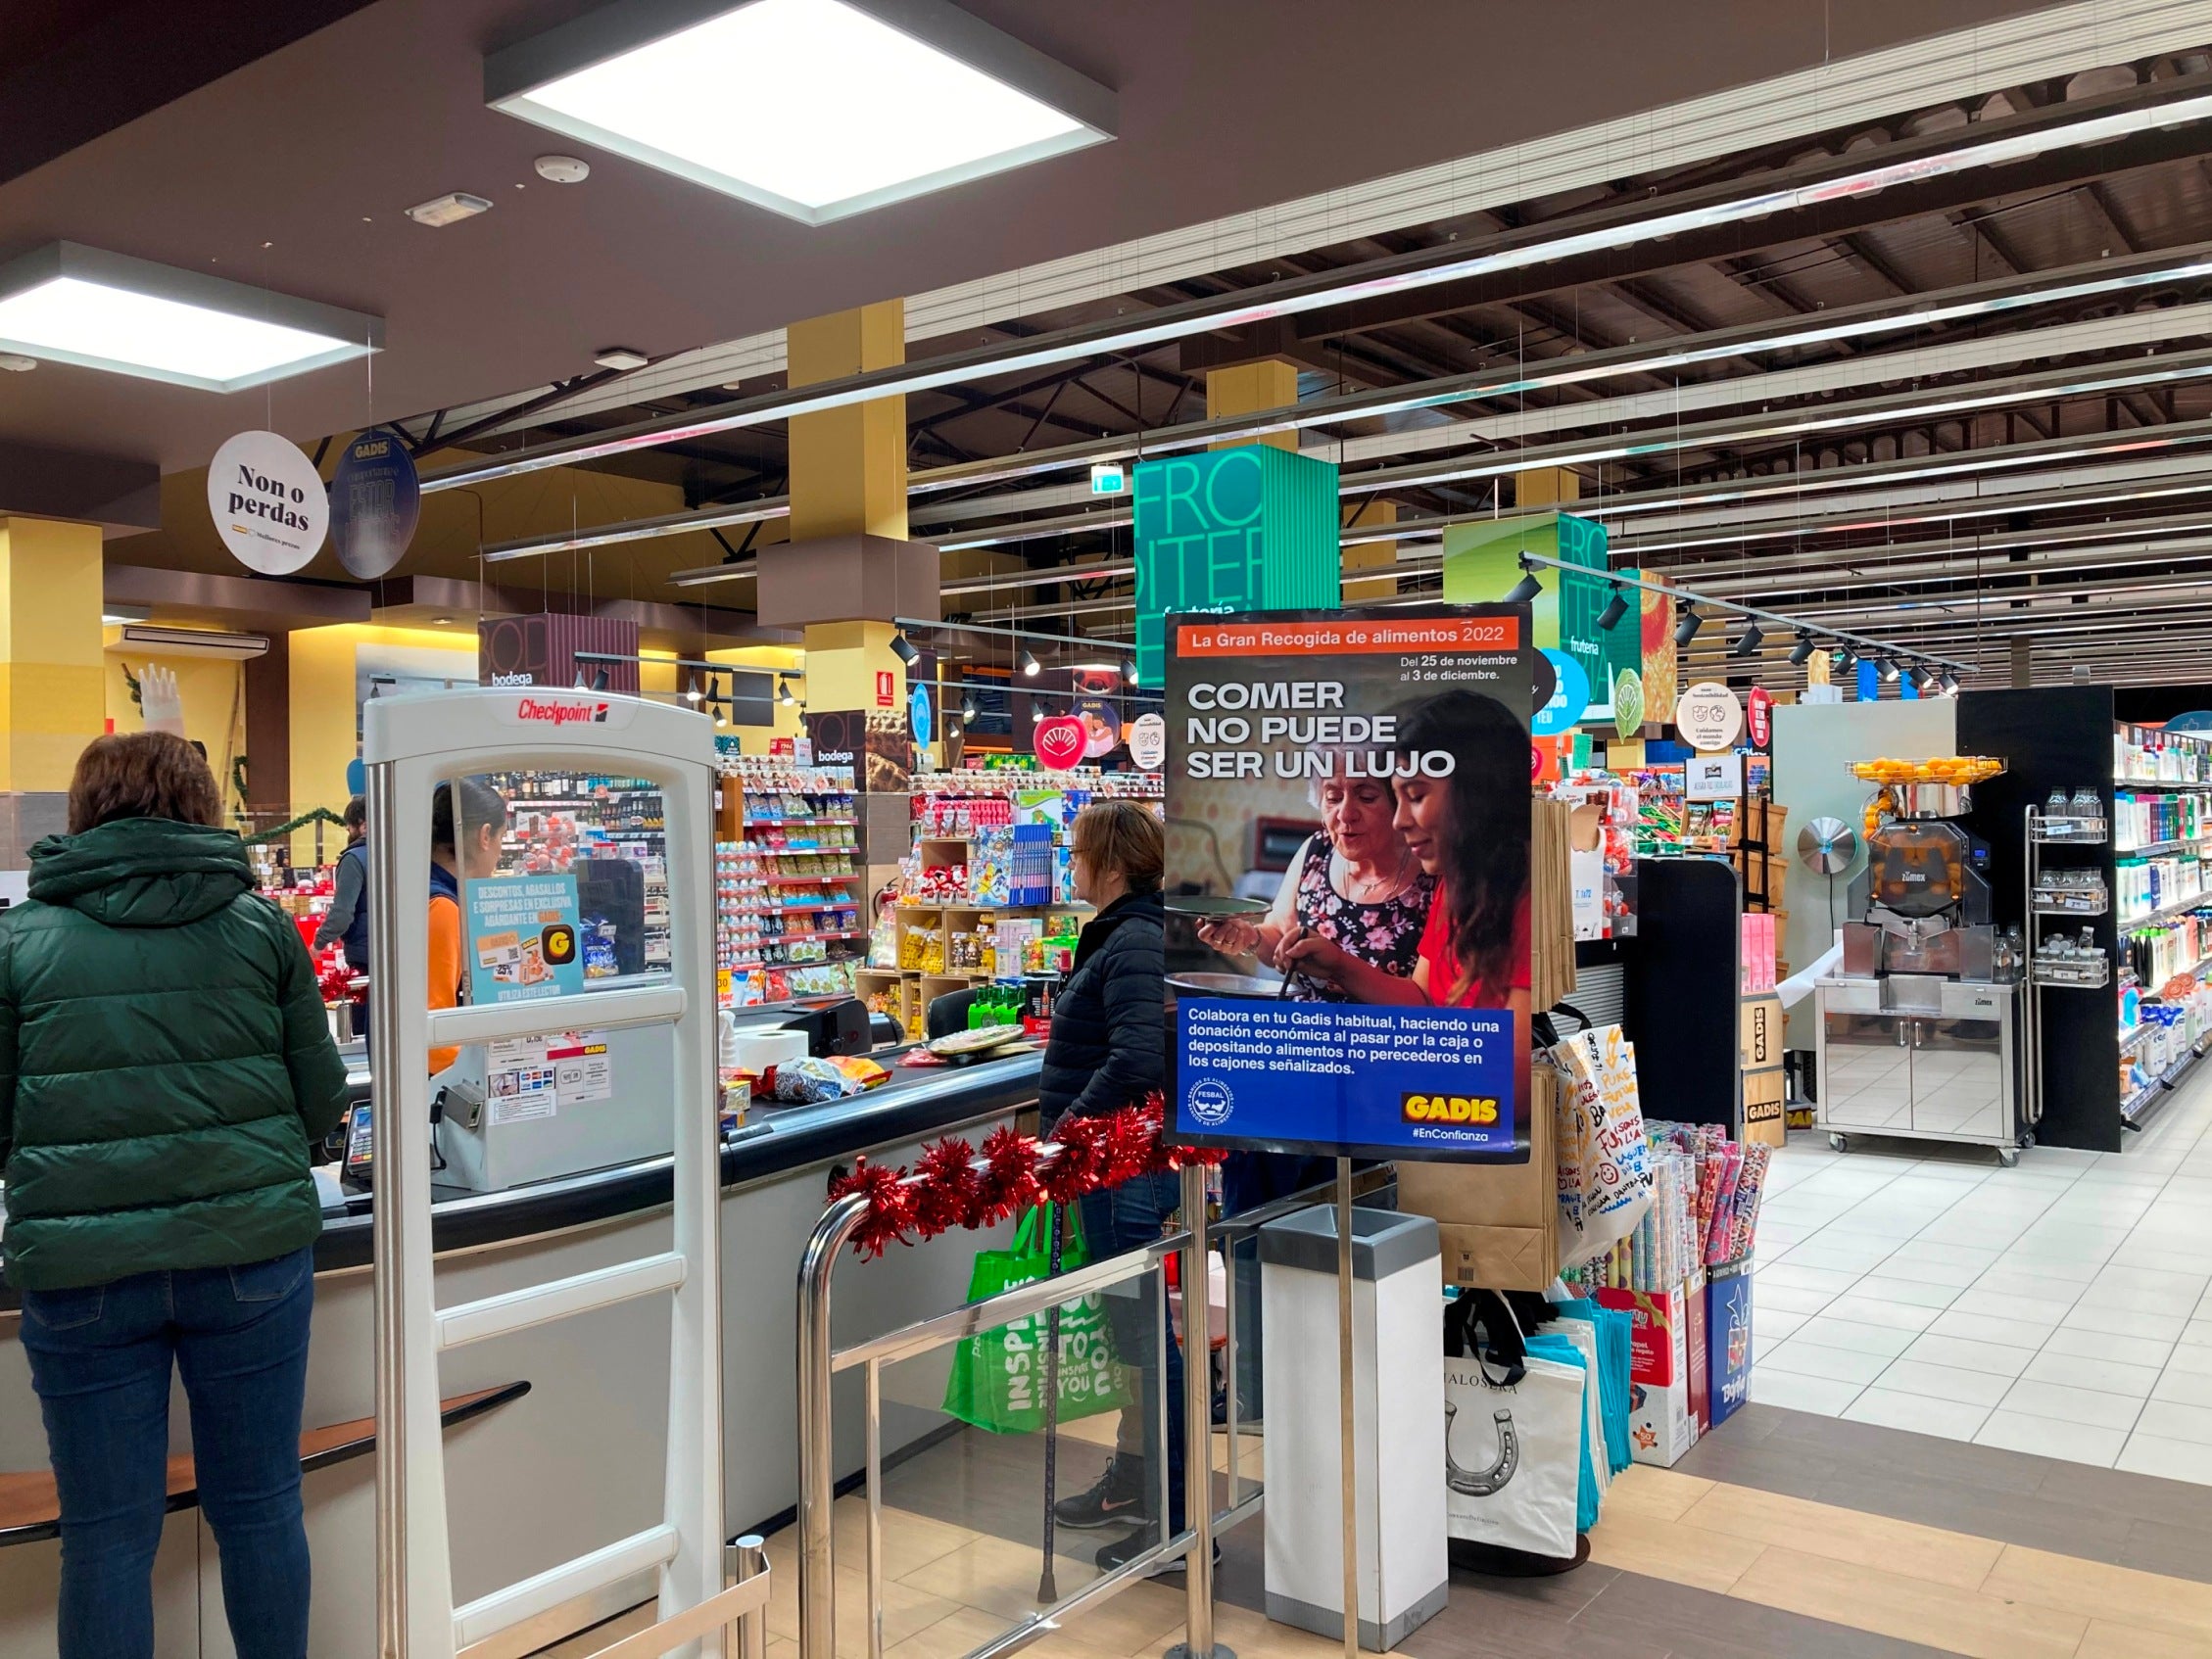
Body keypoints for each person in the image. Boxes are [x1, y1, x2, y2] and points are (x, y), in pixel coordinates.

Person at [0, 732, 350, 1659]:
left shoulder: (18, 943)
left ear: (83, 811)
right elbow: (321, 1099)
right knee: (262, 1506)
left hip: (81, 1276)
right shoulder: (264, 927)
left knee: (107, 1540)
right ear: (203, 809)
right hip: (251, 1258)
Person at [1035, 801, 1175, 1572]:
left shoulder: (1133, 940)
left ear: (1112, 864)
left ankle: (1176, 1517)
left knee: (1148, 1342)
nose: (1072, 865)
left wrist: (1064, 1133)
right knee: (1136, 1340)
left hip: (1119, 1169)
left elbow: (1133, 1061)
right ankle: (1135, 1482)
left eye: (1080, 852)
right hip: (1113, 1165)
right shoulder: (1126, 936)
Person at [1281, 689, 1534, 1101]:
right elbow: (1423, 1001)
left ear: (1476, 790)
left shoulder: (1525, 898)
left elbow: (1515, 1090)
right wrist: (1339, 965)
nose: (1399, 821)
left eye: (1415, 797)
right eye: (1396, 798)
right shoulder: (1456, 885)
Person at [1196, 767, 1432, 999]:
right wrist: (1249, 937)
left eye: (1366, 797)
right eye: (1333, 798)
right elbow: (1280, 935)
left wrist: (1339, 967)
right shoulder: (1317, 850)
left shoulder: (1432, 867)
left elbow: (1425, 1001)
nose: (1345, 813)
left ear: (1398, 800)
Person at [429, 778, 506, 1074]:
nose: (499, 854)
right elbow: (436, 1034)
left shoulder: (423, 888)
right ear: (485, 836)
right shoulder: (443, 908)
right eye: (501, 837)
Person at [313, 796, 370, 970]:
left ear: (363, 825)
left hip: (364, 950)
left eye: (350, 825)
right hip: (403, 947)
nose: (347, 828)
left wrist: (319, 942)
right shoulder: (400, 853)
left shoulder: (354, 859)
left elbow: (343, 912)